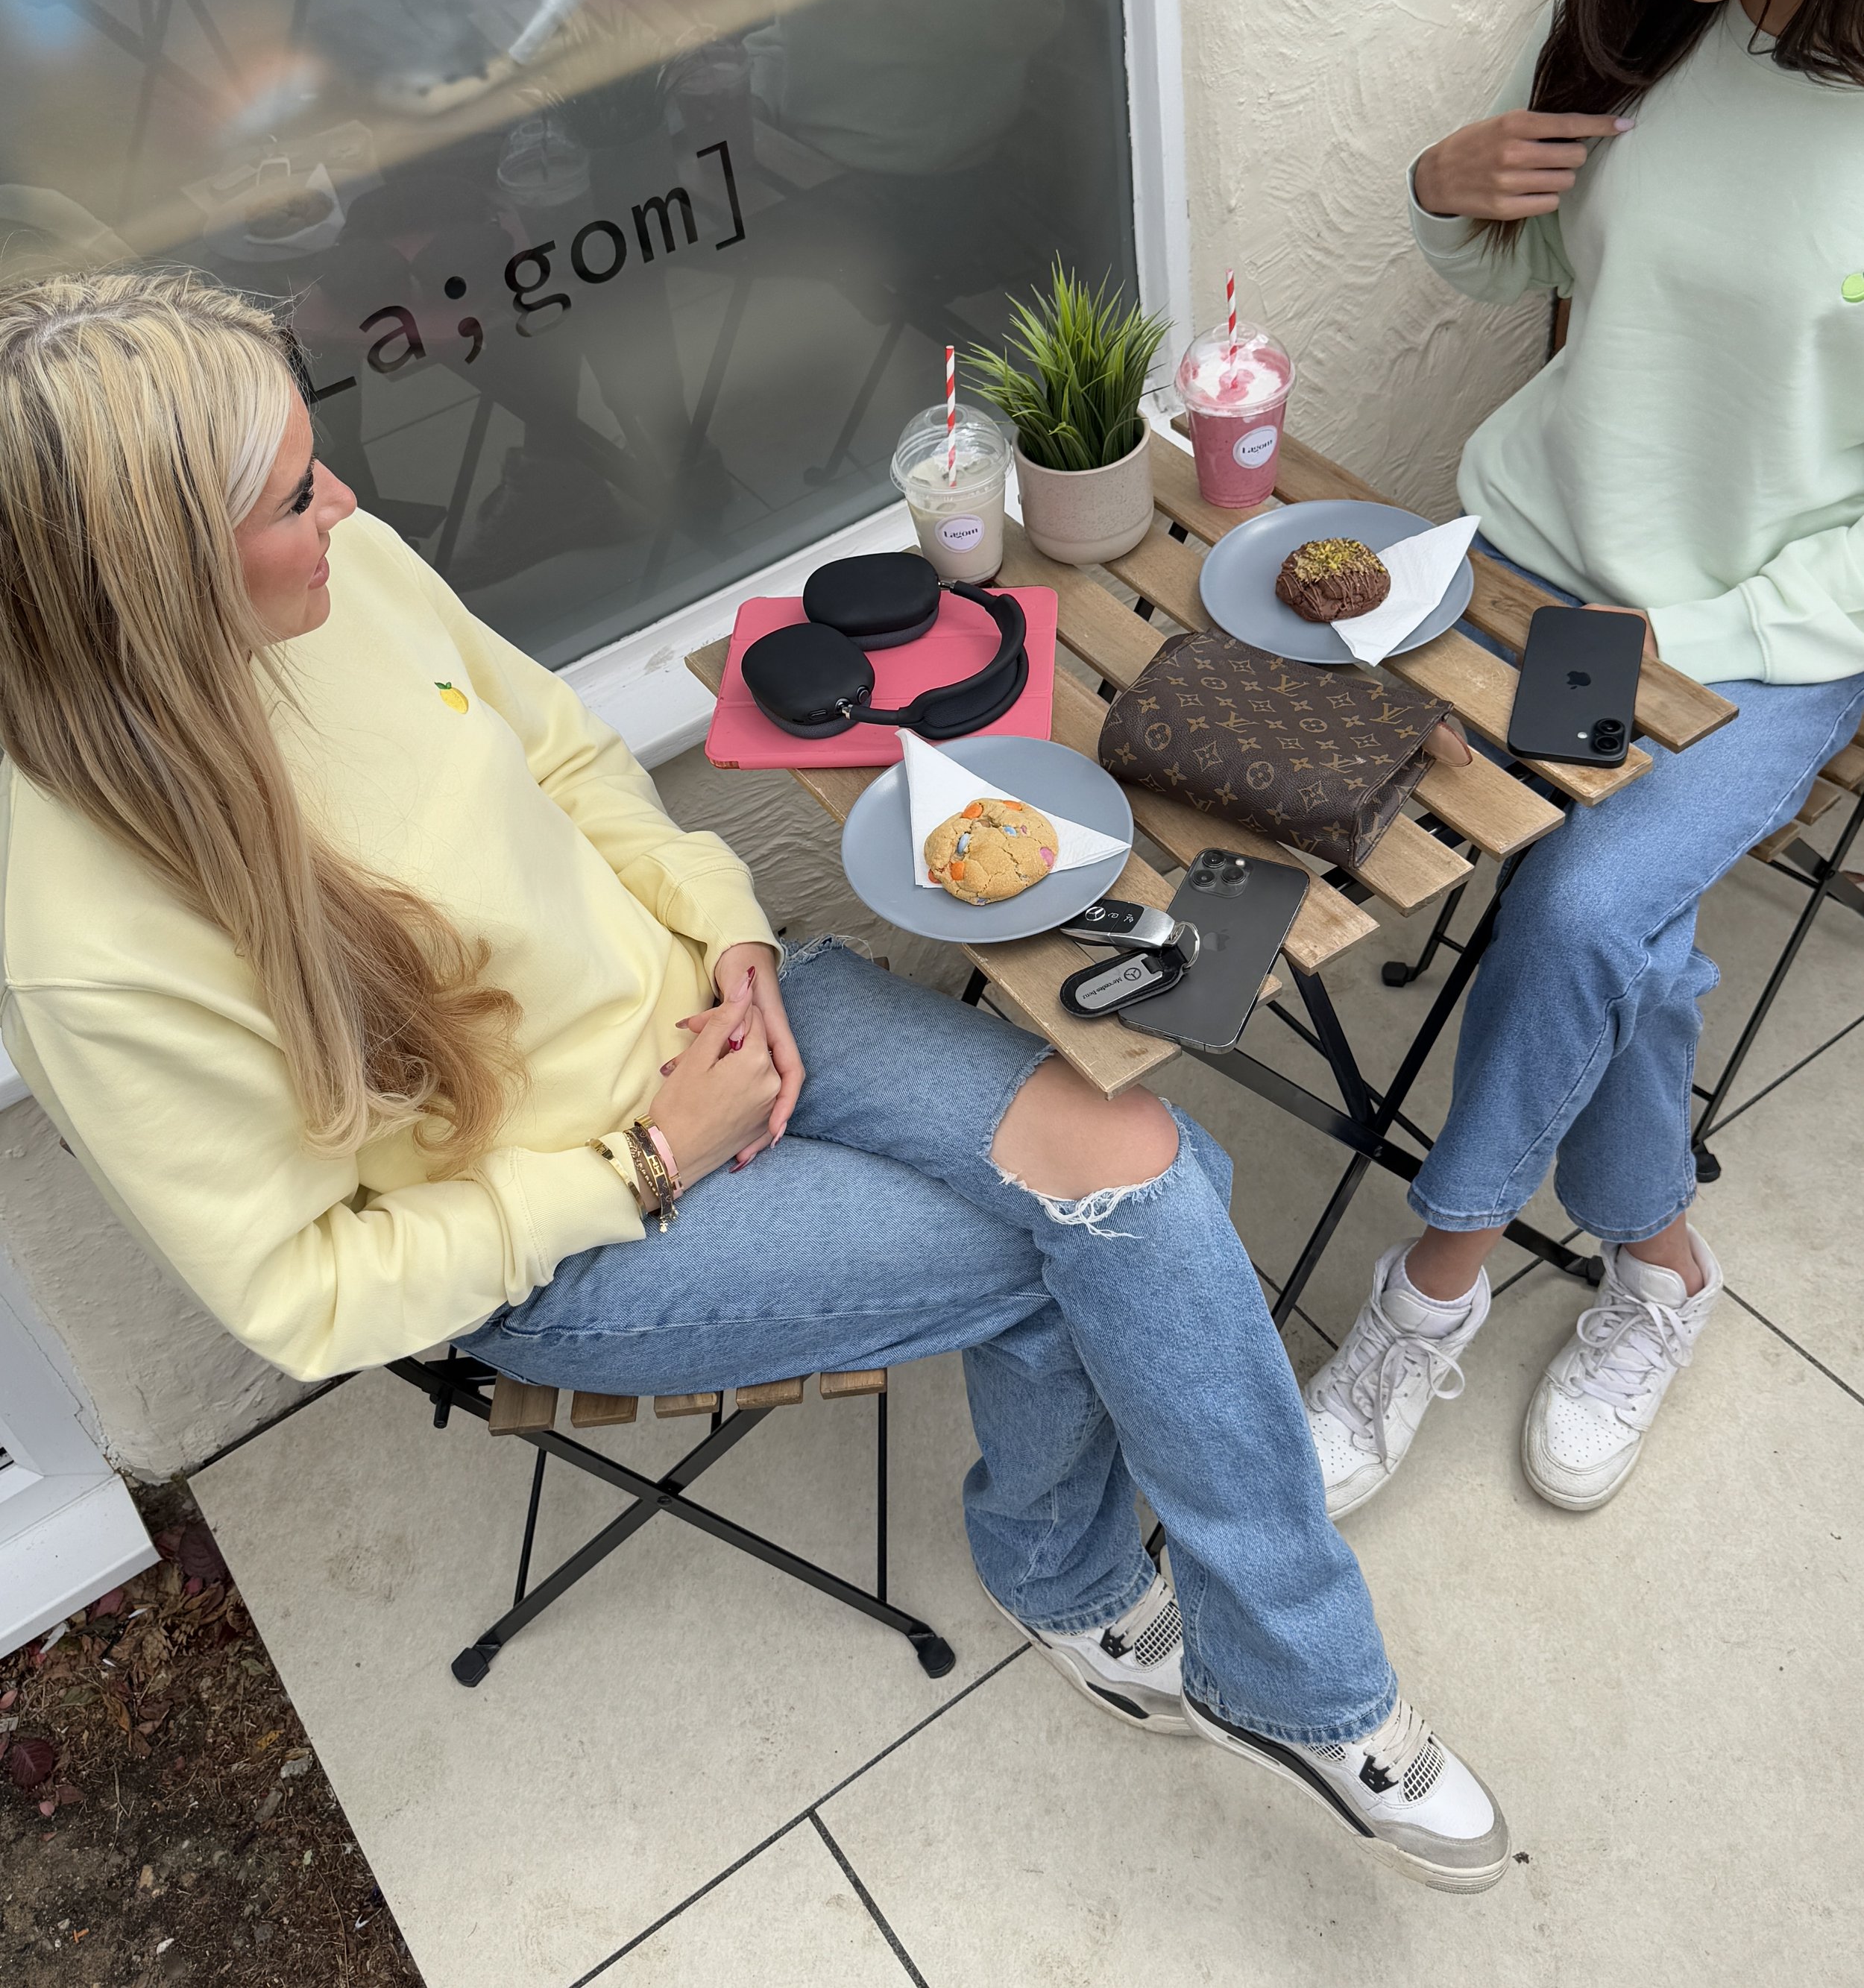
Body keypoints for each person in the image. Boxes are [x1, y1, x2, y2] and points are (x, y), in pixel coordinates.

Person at [0, 274, 1506, 1893]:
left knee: (1138, 1162)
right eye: (297, 496)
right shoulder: (84, 922)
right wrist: (648, 1157)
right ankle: (1199, 1638)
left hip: (720, 1011)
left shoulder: (346, 575)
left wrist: (723, 932)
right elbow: (305, 1293)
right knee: (1102, 1237)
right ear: (153, 581)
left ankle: (1186, 1629)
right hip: (567, 1223)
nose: (352, 504)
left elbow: (569, 756)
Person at [1305, 0, 1864, 1521]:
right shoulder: (1661, 15)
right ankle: (1659, 1264)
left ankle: (1426, 1289)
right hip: (1527, 555)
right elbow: (1559, 248)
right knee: (1588, 930)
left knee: (1563, 907)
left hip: (1770, 630)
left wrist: (1683, 643)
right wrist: (1447, 190)